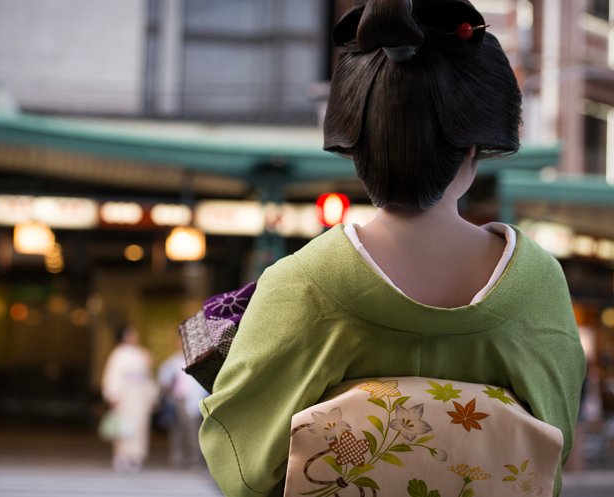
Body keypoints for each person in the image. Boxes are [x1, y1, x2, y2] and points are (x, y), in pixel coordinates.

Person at [199, 1, 586, 496]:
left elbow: (241, 466)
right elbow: (552, 450)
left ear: (356, 146)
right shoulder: (538, 285)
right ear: (473, 148)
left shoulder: (302, 283)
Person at [101, 324, 158, 472]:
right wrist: (112, 394)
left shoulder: (142, 353)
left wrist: (152, 395)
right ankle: (122, 455)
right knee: (123, 426)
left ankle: (136, 456)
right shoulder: (118, 354)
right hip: (125, 395)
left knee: (140, 426)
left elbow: (148, 376)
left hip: (140, 395)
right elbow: (112, 375)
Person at [157, 339, 207, 468]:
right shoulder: (172, 362)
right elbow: (163, 380)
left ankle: (193, 457)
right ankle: (179, 456)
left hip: (194, 399)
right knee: (178, 429)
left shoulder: (197, 360)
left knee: (192, 429)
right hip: (179, 399)